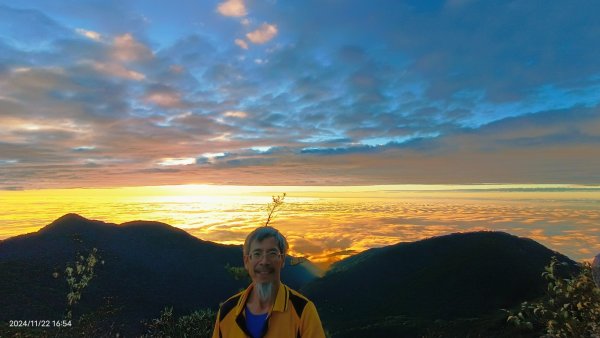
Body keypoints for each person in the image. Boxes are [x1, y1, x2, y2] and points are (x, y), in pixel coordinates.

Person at [212, 226, 326, 338]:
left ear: (282, 260)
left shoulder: (303, 311)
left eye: (272, 253)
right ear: (247, 261)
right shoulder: (227, 312)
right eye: (257, 254)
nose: (264, 261)